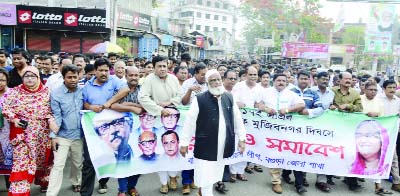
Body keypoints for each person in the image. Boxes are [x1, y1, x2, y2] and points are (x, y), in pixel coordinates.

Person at [180, 69, 246, 196]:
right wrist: (184, 143)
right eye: (212, 80)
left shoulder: (229, 97)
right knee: (205, 175)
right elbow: (189, 123)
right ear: (207, 83)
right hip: (205, 145)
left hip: (223, 145)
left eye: (218, 80)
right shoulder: (199, 99)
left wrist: (242, 139)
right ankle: (205, 192)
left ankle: (203, 192)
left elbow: (237, 119)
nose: (216, 83)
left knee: (215, 174)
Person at [3, 66, 57, 195]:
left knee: (41, 161)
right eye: (27, 76)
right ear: (22, 78)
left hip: (42, 135)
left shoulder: (47, 92)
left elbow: (53, 111)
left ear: (38, 77)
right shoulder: (14, 92)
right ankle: (19, 192)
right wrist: (14, 119)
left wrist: (51, 120)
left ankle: (43, 181)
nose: (30, 79)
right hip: (21, 134)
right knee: (22, 163)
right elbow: (5, 108)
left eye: (33, 76)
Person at [81, 58, 129, 195]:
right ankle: (85, 193)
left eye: (106, 70)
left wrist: (109, 102)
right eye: (100, 70)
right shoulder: (87, 86)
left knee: (108, 156)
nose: (104, 73)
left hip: (111, 128)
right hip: (91, 128)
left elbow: (125, 90)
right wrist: (90, 106)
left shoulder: (114, 81)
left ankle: (103, 182)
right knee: (89, 161)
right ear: (95, 71)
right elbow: (84, 103)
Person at [138, 55, 183, 194]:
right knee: (160, 151)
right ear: (154, 67)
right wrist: (159, 110)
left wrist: (169, 103)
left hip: (173, 120)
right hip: (157, 119)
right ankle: (163, 182)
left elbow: (180, 95)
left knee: (174, 149)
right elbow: (143, 98)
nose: (162, 69)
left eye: (164, 66)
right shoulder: (149, 80)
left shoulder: (173, 78)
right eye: (159, 66)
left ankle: (173, 177)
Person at [256, 73, 305, 194]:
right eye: (278, 80)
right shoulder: (265, 92)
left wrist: (288, 110)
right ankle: (276, 182)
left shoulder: (291, 94)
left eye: (283, 80)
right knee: (274, 154)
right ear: (273, 81)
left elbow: (301, 104)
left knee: (290, 153)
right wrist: (267, 109)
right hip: (270, 129)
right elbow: (258, 104)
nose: (281, 82)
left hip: (287, 130)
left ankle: (292, 178)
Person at [47, 65, 83, 196]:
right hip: (62, 135)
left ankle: (75, 182)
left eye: (75, 77)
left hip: (79, 135)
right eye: (69, 77)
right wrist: (53, 136)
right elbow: (56, 116)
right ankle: (51, 193)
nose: (73, 80)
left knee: (78, 163)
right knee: (58, 165)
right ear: (63, 78)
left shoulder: (82, 91)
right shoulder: (56, 93)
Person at [109, 66, 142, 196]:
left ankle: (132, 187)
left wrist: (126, 106)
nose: (134, 78)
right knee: (122, 159)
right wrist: (133, 107)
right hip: (122, 130)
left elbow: (146, 107)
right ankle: (122, 190)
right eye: (131, 75)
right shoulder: (120, 89)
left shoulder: (143, 90)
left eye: (136, 75)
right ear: (126, 76)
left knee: (138, 159)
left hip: (139, 131)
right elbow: (113, 105)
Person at [330, 72, 363, 192]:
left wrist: (348, 106)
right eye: (346, 78)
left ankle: (351, 181)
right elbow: (326, 105)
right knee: (331, 151)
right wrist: (332, 107)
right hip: (333, 127)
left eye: (350, 79)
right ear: (340, 80)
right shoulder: (332, 91)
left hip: (349, 127)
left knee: (350, 153)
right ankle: (327, 177)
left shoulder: (355, 93)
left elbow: (359, 108)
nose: (348, 80)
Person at [230, 66, 262, 182]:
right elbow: (231, 100)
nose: (253, 77)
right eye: (251, 74)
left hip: (251, 122)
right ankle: (233, 172)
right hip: (237, 120)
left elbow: (259, 103)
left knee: (247, 145)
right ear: (246, 75)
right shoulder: (239, 86)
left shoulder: (259, 88)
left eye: (255, 74)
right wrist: (237, 103)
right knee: (236, 144)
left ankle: (241, 171)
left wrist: (260, 106)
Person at [310, 71, 336, 192]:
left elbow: (333, 107)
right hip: (309, 126)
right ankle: (302, 177)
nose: (325, 81)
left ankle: (321, 180)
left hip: (325, 128)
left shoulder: (332, 93)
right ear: (317, 79)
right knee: (307, 151)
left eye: (327, 79)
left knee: (323, 152)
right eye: (323, 79)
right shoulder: (310, 91)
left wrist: (333, 108)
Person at [381, 80, 400, 192]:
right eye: (389, 87)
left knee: (393, 158)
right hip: (378, 132)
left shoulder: (398, 101)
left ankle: (396, 182)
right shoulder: (378, 99)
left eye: (394, 87)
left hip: (392, 133)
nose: (392, 90)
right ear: (384, 89)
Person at [0, 68, 12, 189]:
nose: (0, 83)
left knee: (8, 160)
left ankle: (10, 186)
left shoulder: (13, 93)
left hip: (9, 132)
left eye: (2, 80)